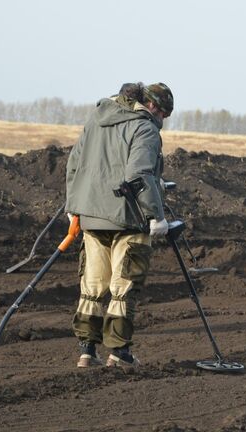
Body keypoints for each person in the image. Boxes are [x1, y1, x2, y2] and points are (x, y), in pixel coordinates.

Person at [65, 82, 174, 367]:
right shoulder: (145, 128)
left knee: (92, 284)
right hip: (129, 219)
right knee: (123, 286)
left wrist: (73, 207)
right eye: (163, 114)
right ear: (152, 106)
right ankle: (118, 352)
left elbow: (74, 164)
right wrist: (157, 217)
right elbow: (138, 175)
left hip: (90, 215)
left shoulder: (96, 119)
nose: (162, 121)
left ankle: (87, 351)